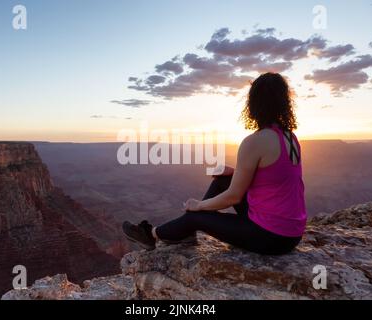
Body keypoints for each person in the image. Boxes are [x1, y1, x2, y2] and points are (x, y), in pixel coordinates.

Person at [122, 72, 307, 255]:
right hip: (291, 233)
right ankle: (186, 229)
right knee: (222, 180)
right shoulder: (290, 138)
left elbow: (233, 197)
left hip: (270, 237)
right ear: (284, 102)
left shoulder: (255, 141)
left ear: (254, 103)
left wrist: (198, 206)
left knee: (197, 215)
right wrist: (236, 173)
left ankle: (153, 235)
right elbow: (275, 176)